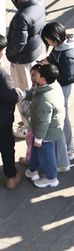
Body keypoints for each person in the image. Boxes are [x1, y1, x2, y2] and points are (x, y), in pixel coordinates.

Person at [41, 21, 74, 172]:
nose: (48, 43)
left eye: (49, 40)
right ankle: (69, 148)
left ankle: (65, 152)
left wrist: (50, 72)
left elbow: (68, 77)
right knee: (64, 118)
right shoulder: (61, 47)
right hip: (59, 87)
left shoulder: (67, 53)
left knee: (59, 121)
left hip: (61, 89)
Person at [25, 60, 66, 189]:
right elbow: (36, 91)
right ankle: (33, 170)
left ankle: (51, 178)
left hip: (46, 133)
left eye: (38, 74)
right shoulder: (53, 85)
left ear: (42, 79)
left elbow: (44, 122)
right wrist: (25, 94)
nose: (35, 74)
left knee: (46, 155)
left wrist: (39, 138)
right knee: (37, 151)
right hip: (42, 131)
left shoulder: (45, 100)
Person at [7, 0, 46, 98]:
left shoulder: (21, 18)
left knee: (23, 92)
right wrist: (16, 2)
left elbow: (18, 44)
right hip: (35, 52)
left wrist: (8, 53)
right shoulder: (39, 2)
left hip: (22, 60)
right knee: (34, 87)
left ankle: (27, 117)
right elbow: (30, 14)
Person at [0, 34, 22, 189]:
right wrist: (18, 94)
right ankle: (11, 177)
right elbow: (9, 97)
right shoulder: (1, 73)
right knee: (7, 147)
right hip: (2, 119)